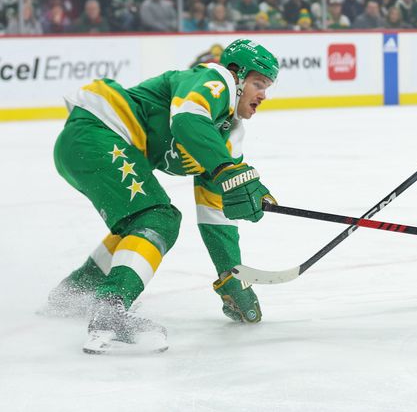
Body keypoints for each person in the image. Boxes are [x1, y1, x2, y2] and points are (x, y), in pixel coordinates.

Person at [46, 39, 280, 353]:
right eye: (258, 83)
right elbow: (187, 120)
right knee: (159, 218)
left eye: (268, 87)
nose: (263, 95)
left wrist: (231, 277)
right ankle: (109, 310)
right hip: (98, 133)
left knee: (140, 225)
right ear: (236, 75)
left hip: (88, 143)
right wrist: (226, 170)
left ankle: (78, 291)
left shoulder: (227, 136)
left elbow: (215, 218)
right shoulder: (215, 79)